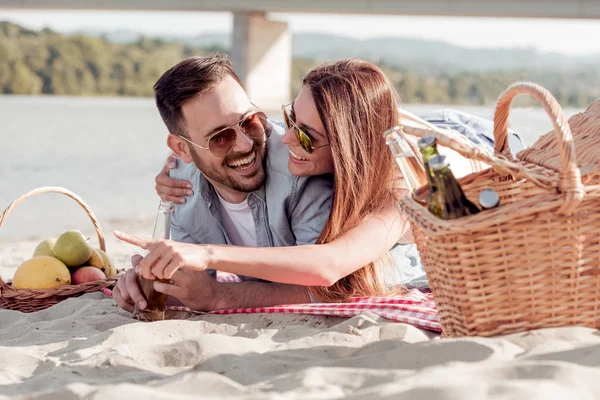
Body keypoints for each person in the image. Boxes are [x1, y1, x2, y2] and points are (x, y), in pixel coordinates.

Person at [113, 56, 412, 313]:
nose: (284, 137)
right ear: (182, 149)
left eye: (250, 121)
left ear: (346, 151)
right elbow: (190, 282)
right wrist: (143, 281)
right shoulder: (181, 180)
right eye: (289, 119)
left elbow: (328, 271)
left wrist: (211, 267)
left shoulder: (388, 190)